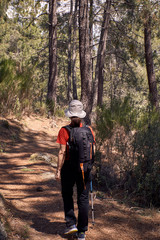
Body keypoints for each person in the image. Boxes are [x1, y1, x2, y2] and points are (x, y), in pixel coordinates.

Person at [56, 100, 95, 240]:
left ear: (70, 115)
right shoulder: (89, 130)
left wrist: (58, 170)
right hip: (85, 168)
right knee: (83, 198)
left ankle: (71, 224)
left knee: (67, 194)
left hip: (68, 167)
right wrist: (89, 166)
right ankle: (82, 232)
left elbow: (62, 153)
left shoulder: (64, 130)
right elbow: (92, 149)